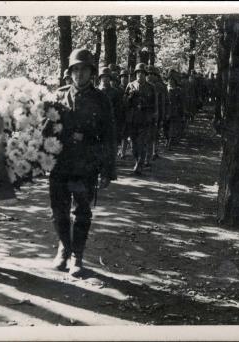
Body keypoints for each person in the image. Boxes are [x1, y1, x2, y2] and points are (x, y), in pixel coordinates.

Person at [50, 48, 117, 277]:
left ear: (92, 72)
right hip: (59, 163)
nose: (79, 74)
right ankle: (63, 248)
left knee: (81, 211)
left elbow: (109, 136)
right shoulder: (58, 96)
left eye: (84, 69)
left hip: (85, 165)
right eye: (75, 69)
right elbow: (45, 129)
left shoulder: (101, 100)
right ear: (69, 72)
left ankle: (77, 255)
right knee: (58, 210)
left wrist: (108, 169)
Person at [124, 63, 157, 175]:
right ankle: (137, 160)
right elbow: (125, 103)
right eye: (138, 73)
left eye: (142, 73)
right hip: (133, 119)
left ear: (145, 75)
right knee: (134, 145)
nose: (140, 75)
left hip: (145, 119)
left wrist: (153, 116)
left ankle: (139, 165)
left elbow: (154, 104)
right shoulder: (130, 85)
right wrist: (130, 96)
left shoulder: (151, 87)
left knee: (142, 143)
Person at [97, 67, 123, 147]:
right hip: (97, 124)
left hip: (111, 124)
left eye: (107, 76)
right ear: (100, 78)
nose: (105, 78)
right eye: (103, 76)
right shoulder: (95, 91)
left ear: (110, 78)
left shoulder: (115, 92)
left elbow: (118, 110)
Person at [146, 66, 167, 162]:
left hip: (156, 113)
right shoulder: (144, 85)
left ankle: (155, 151)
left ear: (156, 76)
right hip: (146, 113)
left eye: (152, 74)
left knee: (155, 133)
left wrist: (162, 115)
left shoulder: (160, 86)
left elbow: (163, 102)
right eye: (148, 74)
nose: (150, 76)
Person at [166, 71, 185, 150]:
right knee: (165, 128)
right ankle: (167, 140)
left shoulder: (178, 90)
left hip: (174, 112)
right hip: (165, 112)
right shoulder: (165, 89)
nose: (170, 81)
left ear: (175, 81)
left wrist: (182, 113)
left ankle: (169, 143)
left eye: (172, 80)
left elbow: (181, 102)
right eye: (169, 79)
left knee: (172, 128)